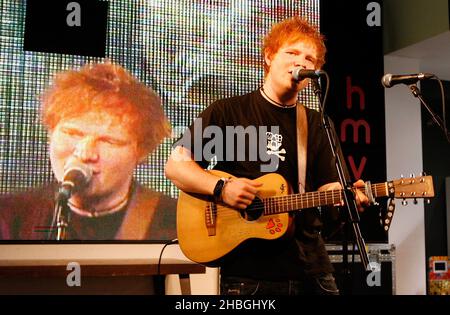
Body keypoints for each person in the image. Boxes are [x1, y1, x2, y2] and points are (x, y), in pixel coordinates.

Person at [165, 16, 369, 295]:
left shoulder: (317, 123)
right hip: (248, 277)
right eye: (292, 52)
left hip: (313, 271)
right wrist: (221, 189)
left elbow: (330, 188)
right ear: (269, 56)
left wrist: (349, 200)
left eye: (310, 59)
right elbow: (176, 167)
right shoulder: (227, 112)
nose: (301, 62)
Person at [0, 61, 176, 240]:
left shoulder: (175, 223)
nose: (85, 154)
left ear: (142, 151)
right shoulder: (8, 217)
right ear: (51, 133)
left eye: (109, 141)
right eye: (71, 133)